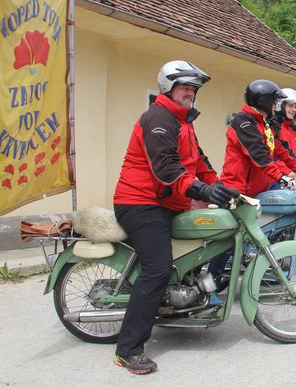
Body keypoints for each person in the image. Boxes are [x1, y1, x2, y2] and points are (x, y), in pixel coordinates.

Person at [112, 60, 239, 374]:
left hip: (167, 203)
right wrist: (201, 191)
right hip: (140, 203)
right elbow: (166, 168)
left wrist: (220, 186)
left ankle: (187, 300)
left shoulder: (184, 122)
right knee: (156, 269)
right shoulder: (158, 117)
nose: (190, 94)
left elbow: (199, 162)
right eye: (185, 87)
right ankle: (128, 350)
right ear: (168, 87)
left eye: (193, 89)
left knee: (207, 244)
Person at [220, 79, 296, 196]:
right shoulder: (243, 122)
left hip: (259, 191)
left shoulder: (266, 124)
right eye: (274, 102)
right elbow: (259, 154)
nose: (275, 107)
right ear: (265, 102)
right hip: (238, 192)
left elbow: (282, 151)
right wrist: (282, 177)